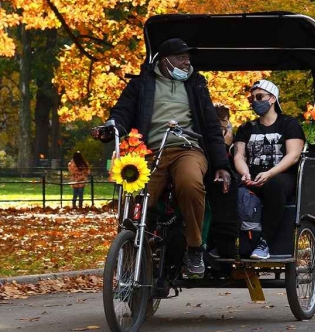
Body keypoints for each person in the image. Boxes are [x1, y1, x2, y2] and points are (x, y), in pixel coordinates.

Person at [97, 38, 231, 275]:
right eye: (181, 57)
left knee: (190, 183)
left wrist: (221, 164)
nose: (186, 61)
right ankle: (134, 243)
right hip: (150, 151)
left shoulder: (196, 85)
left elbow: (211, 126)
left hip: (187, 148)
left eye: (188, 58)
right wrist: (111, 128)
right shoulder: (142, 84)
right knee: (138, 192)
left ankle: (194, 247)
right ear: (165, 61)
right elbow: (122, 112)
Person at [233, 80, 305, 259]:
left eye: (259, 96)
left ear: (272, 98)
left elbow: (293, 155)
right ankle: (224, 243)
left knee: (276, 184)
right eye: (252, 98)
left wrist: (270, 173)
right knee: (226, 185)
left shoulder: (289, 124)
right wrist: (245, 173)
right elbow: (239, 156)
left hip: (281, 177)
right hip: (252, 176)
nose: (255, 101)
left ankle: (264, 242)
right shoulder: (246, 128)